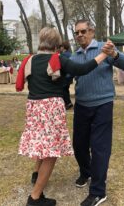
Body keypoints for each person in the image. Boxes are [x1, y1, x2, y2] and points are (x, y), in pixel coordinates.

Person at [16, 26, 108, 206]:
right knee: (51, 152)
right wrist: (103, 55)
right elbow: (82, 69)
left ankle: (37, 174)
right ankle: (34, 198)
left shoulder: (29, 59)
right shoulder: (58, 59)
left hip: (33, 106)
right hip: (51, 107)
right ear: (57, 43)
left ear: (41, 41)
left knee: (42, 144)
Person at [70, 19, 124, 206]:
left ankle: (98, 191)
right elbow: (68, 76)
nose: (80, 35)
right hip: (81, 105)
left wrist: (114, 54)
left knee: (99, 148)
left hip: (102, 105)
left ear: (91, 31)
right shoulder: (74, 56)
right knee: (79, 145)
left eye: (83, 31)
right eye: (77, 32)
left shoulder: (105, 48)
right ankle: (86, 171)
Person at [59, 41, 73, 110]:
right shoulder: (71, 54)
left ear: (63, 47)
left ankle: (68, 103)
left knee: (62, 90)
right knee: (66, 89)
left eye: (61, 47)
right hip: (70, 75)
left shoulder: (63, 55)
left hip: (65, 76)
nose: (60, 48)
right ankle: (68, 103)